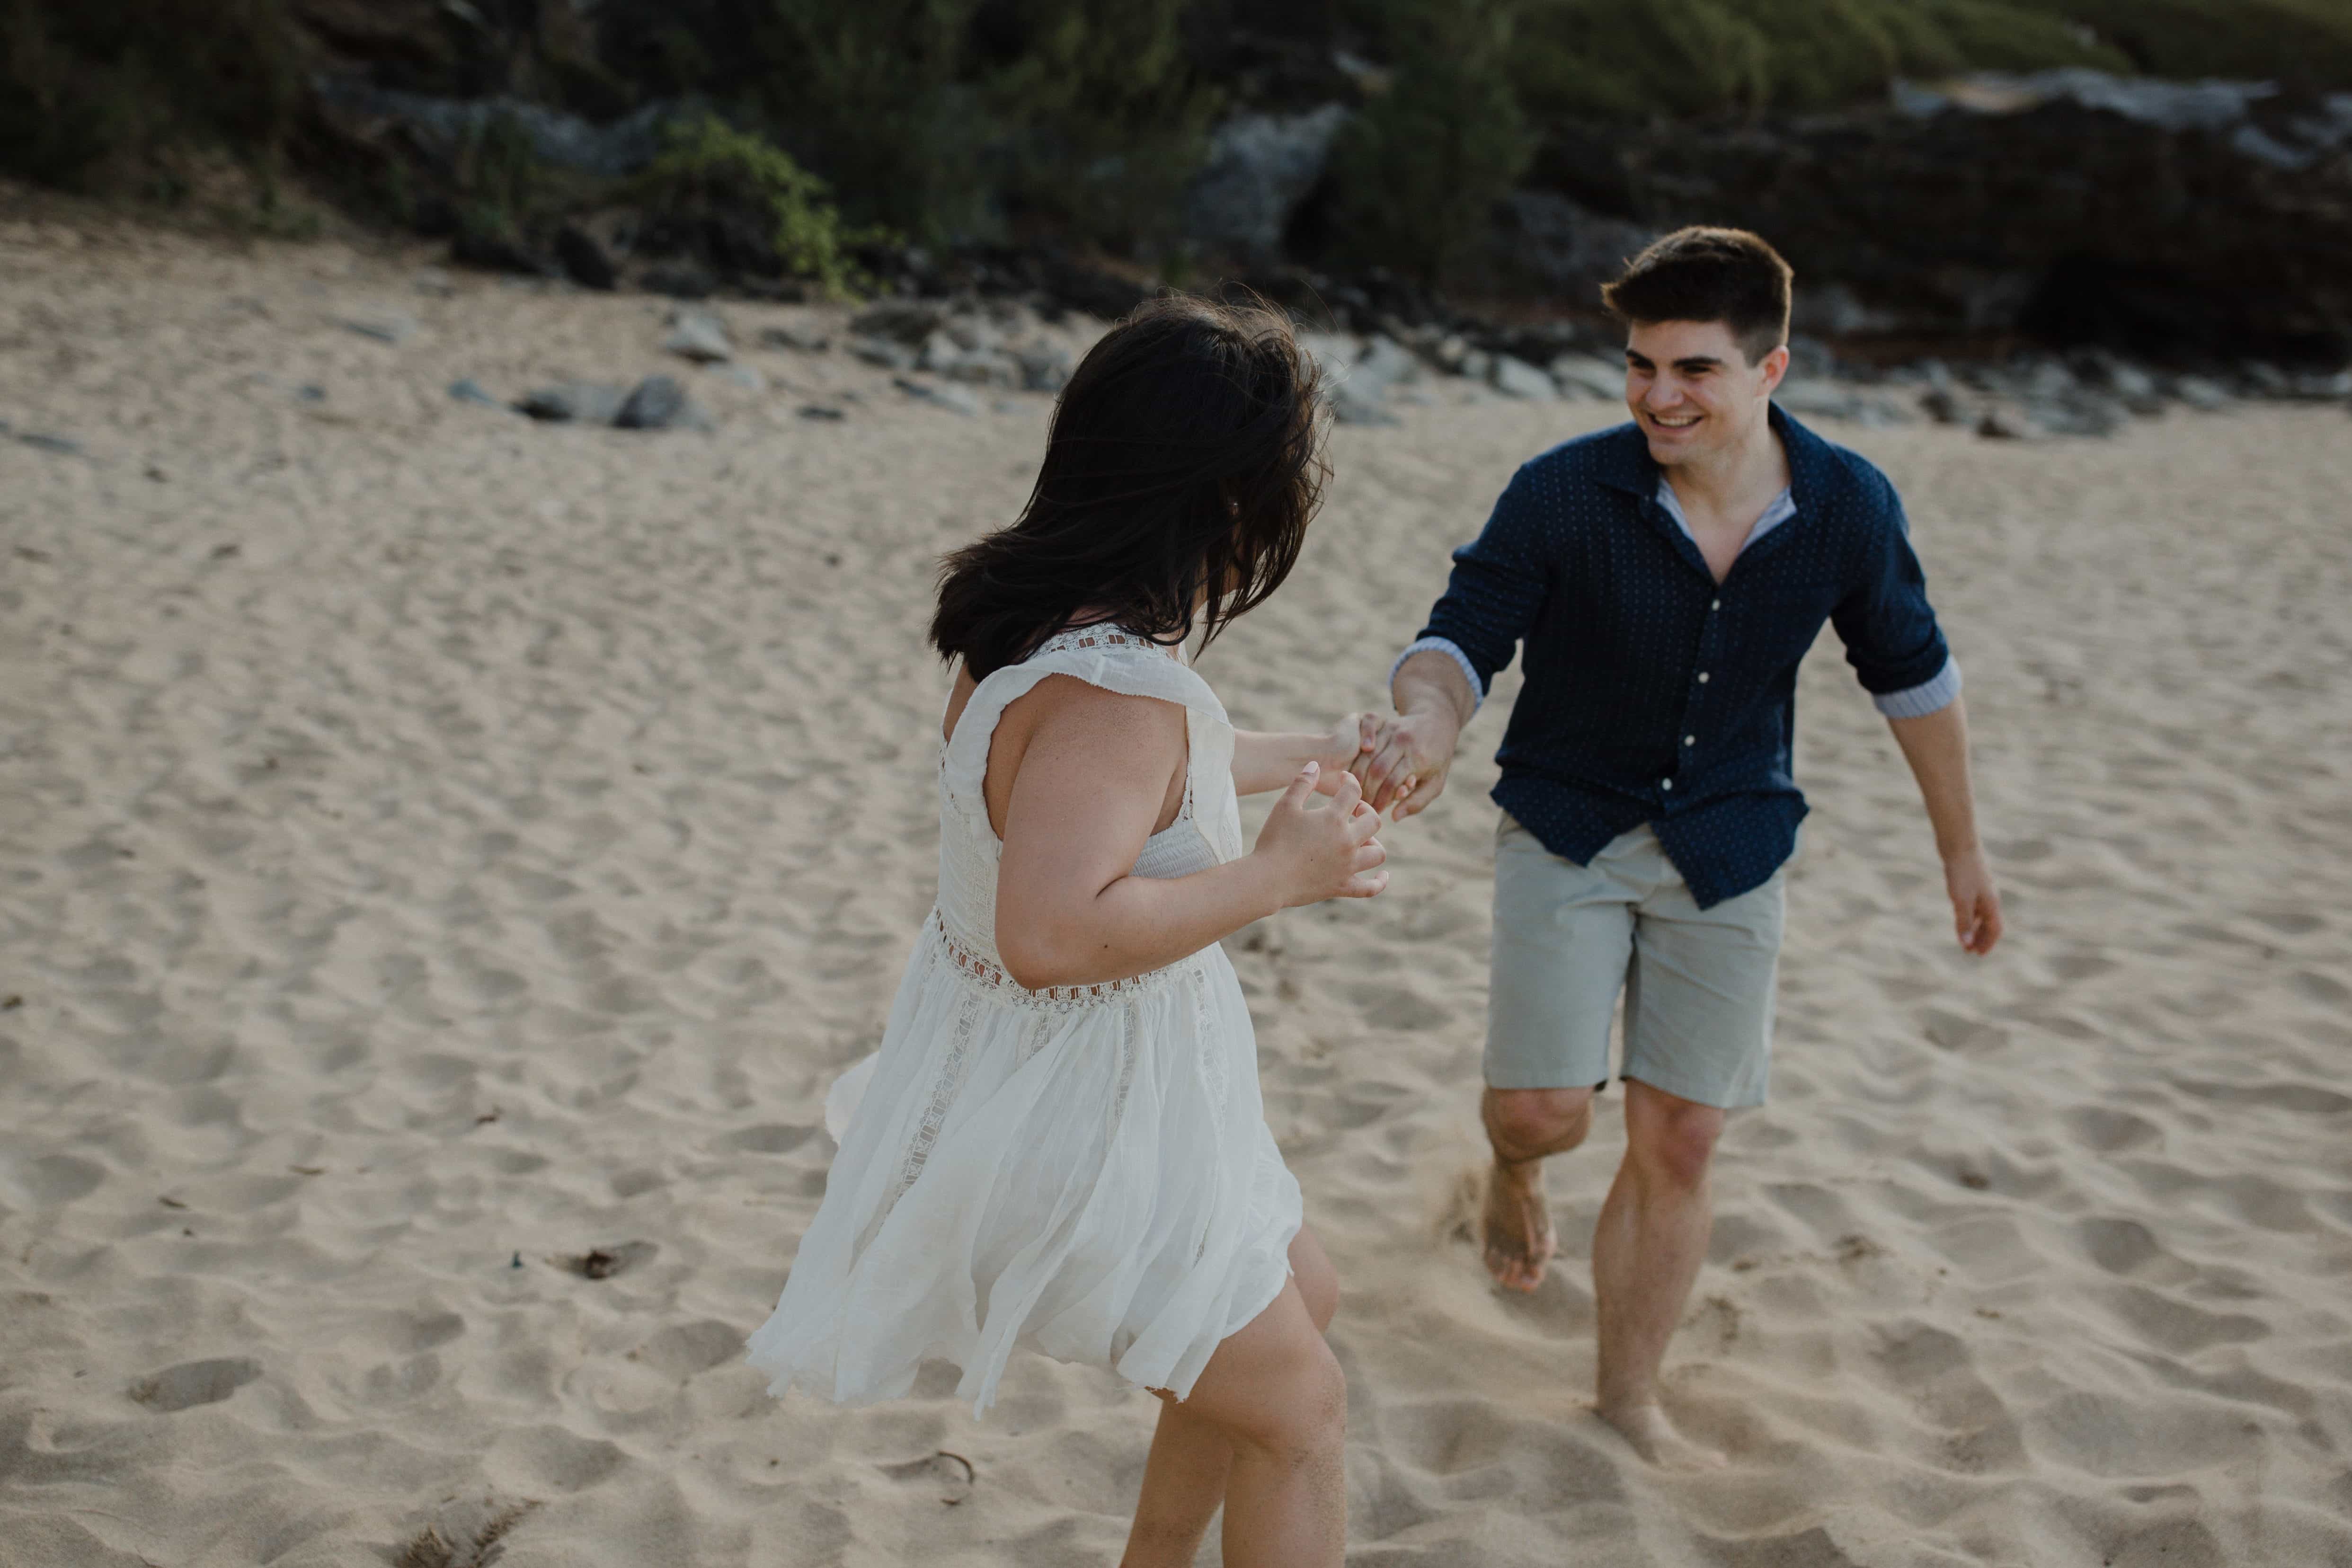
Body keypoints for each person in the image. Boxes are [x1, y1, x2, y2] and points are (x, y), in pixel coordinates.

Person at [747, 295, 1388, 1567]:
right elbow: (1049, 928)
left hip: (1068, 1081)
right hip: (1080, 1110)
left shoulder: (1036, 634)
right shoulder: (1117, 692)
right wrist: (1279, 876)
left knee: (1297, 1298)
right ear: (1222, 499)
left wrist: (1324, 752)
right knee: (1300, 1410)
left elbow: (1142, 781)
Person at [1355, 227, 2005, 1470]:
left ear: (1770, 369)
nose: (1658, 394)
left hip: (1731, 836)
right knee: (1543, 1111)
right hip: (1569, 823)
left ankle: (1624, 1398)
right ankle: (1511, 1165)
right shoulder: (1561, 490)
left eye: (1692, 368)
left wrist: (1959, 852)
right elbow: (1459, 636)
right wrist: (1424, 725)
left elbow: (1913, 678)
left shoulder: (1845, 506)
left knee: (1681, 1135)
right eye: (1641, 364)